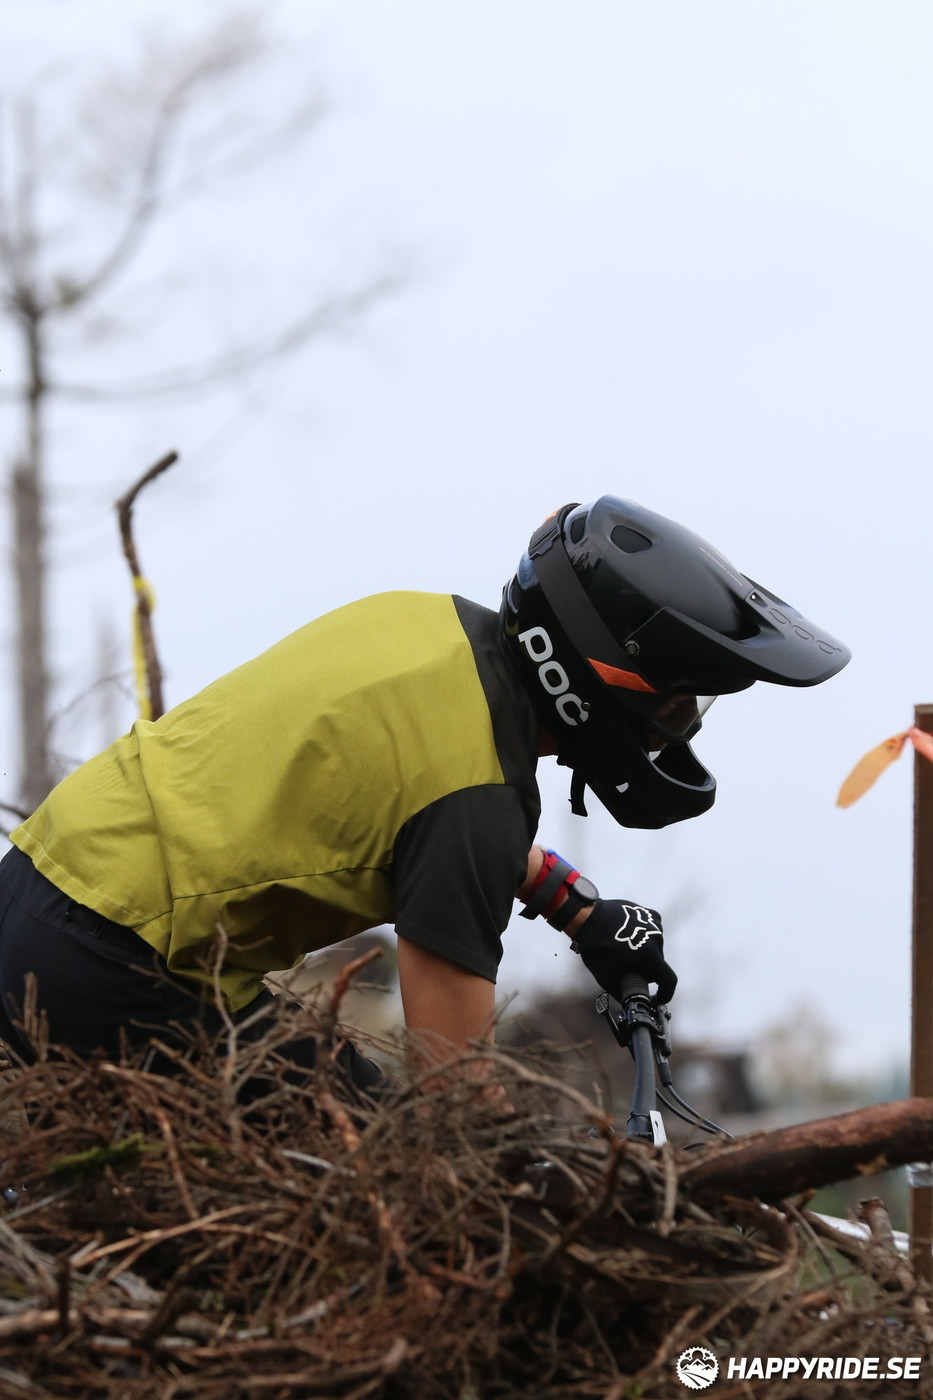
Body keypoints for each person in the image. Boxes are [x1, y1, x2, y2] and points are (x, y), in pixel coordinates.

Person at [0, 496, 849, 1092]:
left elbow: (412, 802)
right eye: (674, 702)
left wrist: (572, 905)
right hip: (108, 958)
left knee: (336, 1101)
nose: (676, 728)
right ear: (604, 675)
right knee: (363, 1175)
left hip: (44, 885)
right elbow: (453, 1096)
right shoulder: (477, 796)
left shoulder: (432, 627)